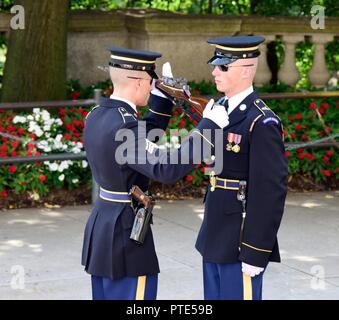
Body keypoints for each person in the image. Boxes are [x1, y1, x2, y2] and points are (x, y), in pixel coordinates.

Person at [81, 47, 228, 300]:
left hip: (104, 225)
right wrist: (209, 128)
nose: (152, 87)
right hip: (124, 233)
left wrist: (162, 101)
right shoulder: (124, 123)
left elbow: (140, 141)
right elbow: (165, 169)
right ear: (138, 82)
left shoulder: (99, 115)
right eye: (151, 82)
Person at [194, 35, 288, 300]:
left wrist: (256, 250)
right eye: (215, 64)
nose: (214, 71)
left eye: (223, 66)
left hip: (240, 238)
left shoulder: (261, 121)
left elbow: (270, 191)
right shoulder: (220, 108)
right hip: (214, 232)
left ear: (246, 69)